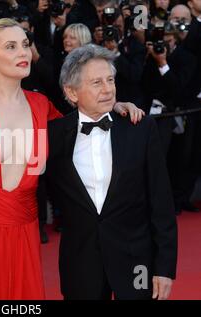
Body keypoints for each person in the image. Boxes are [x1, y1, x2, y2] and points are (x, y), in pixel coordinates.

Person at [0, 18, 143, 300]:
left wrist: (112, 104)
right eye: (11, 47)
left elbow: (81, 125)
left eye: (25, 44)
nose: (23, 53)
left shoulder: (41, 105)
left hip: (23, 230)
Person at [46, 44, 177, 299]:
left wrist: (164, 268)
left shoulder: (140, 128)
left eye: (110, 80)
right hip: (80, 264)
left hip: (136, 261)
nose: (108, 90)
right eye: (96, 83)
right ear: (71, 92)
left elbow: (161, 203)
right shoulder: (53, 136)